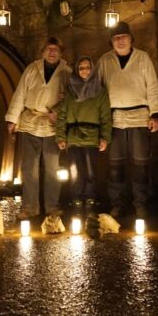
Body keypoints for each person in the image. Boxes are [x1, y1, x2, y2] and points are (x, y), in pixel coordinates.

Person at [97, 21, 158, 218]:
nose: (120, 41)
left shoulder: (142, 58)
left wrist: (155, 114)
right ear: (111, 42)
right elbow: (96, 89)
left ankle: (140, 203)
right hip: (115, 119)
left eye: (123, 37)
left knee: (140, 165)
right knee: (115, 166)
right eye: (116, 38)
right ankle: (117, 203)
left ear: (131, 39)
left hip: (139, 117)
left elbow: (152, 86)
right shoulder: (105, 61)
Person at [5, 37, 71, 219]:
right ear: (42, 52)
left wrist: (60, 114)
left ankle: (52, 206)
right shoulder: (32, 69)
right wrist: (12, 118)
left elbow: (72, 98)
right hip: (30, 120)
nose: (52, 52)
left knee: (52, 168)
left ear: (61, 53)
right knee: (29, 167)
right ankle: (30, 206)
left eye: (56, 49)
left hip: (52, 123)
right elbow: (20, 93)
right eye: (49, 49)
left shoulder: (67, 72)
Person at [55, 56, 112, 219]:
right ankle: (77, 199)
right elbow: (62, 115)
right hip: (73, 137)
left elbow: (106, 116)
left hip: (92, 137)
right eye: (81, 68)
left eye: (87, 68)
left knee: (90, 171)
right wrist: (61, 136)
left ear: (92, 70)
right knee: (75, 171)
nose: (85, 71)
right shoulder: (69, 91)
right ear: (77, 70)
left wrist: (105, 137)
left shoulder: (100, 91)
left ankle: (90, 199)